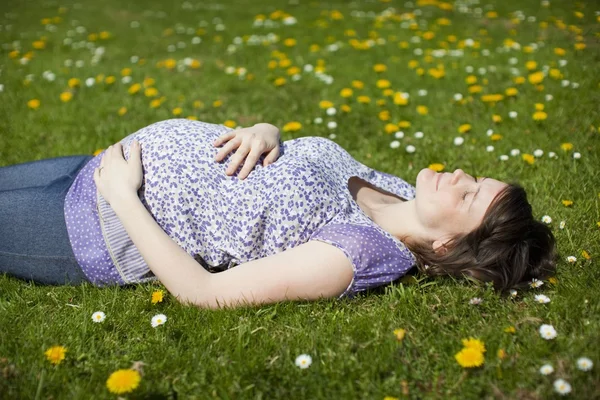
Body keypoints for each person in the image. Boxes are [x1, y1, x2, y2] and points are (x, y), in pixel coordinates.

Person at [0, 119, 557, 309]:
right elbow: (294, 165)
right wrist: (267, 133)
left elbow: (205, 295)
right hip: (97, 166)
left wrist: (123, 193)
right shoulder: (393, 192)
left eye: (468, 197)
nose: (459, 178)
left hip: (92, 224)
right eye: (475, 179)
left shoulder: (359, 252)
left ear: (445, 246)